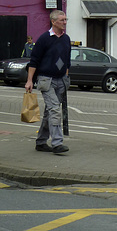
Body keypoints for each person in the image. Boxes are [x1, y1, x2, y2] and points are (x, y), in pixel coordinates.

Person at [25, 9, 71, 154]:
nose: (65, 22)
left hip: (60, 80)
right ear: (53, 21)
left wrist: (66, 77)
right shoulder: (44, 38)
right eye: (62, 20)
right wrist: (29, 81)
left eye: (65, 20)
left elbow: (67, 61)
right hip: (46, 80)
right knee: (55, 110)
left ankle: (41, 142)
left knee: (49, 112)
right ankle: (57, 143)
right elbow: (34, 61)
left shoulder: (66, 39)